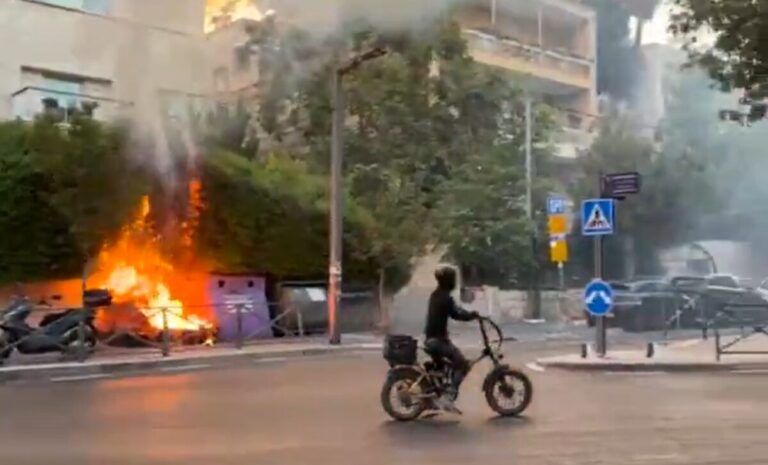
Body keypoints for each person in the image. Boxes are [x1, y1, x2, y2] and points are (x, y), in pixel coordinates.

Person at [424, 265, 479, 412]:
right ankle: (448, 398)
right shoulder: (445, 298)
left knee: (445, 367)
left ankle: (436, 395)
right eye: (453, 279)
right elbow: (457, 314)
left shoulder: (436, 294)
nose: (455, 282)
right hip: (438, 341)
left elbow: (455, 312)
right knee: (462, 364)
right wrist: (473, 315)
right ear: (448, 280)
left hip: (433, 339)